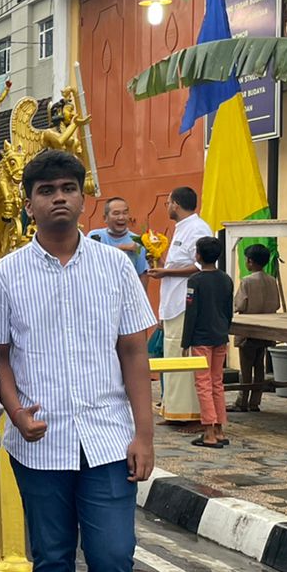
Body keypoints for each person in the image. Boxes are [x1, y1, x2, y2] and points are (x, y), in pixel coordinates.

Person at [0, 149, 158, 572]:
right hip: (40, 443)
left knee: (111, 556)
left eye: (68, 188)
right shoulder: (6, 275)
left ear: (85, 199)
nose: (58, 197)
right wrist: (13, 409)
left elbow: (134, 352)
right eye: (46, 189)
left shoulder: (115, 268)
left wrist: (145, 435)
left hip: (107, 440)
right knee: (52, 558)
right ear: (28, 202)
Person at [146, 186, 211, 422]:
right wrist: (160, 262)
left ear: (175, 204)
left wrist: (167, 272)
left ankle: (189, 414)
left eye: (167, 203)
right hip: (173, 301)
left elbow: (201, 266)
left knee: (183, 357)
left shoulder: (198, 228)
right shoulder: (181, 229)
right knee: (171, 356)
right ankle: (173, 409)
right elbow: (176, 263)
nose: (167, 207)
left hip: (186, 302)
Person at [183, 235, 233, 448]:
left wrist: (186, 341)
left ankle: (209, 431)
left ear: (198, 255)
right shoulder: (226, 279)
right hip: (220, 335)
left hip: (201, 337)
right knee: (217, 383)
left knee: (203, 383)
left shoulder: (195, 281)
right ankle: (220, 428)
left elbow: (191, 312)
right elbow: (228, 310)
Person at [230, 243, 282, 412]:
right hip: (267, 329)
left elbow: (240, 304)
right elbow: (277, 304)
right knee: (259, 366)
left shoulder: (247, 281)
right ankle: (255, 401)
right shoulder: (272, 280)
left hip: (248, 330)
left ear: (250, 261)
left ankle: (242, 401)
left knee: (246, 368)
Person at [88, 196, 149, 278]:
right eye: (116, 213)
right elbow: (91, 263)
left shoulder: (137, 241)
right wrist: (122, 247)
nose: (121, 217)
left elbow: (142, 275)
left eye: (125, 213)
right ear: (105, 218)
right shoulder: (95, 236)